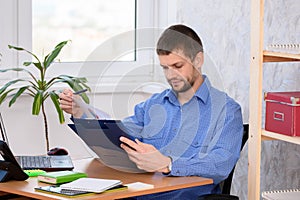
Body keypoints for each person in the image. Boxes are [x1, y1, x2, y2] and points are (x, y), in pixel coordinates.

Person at [59, 24, 243, 199]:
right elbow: (122, 133)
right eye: (165, 68)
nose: (171, 75)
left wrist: (168, 164)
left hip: (184, 195)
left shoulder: (226, 110)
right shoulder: (154, 104)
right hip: (139, 191)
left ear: (198, 60)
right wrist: (81, 112)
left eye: (178, 66)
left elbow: (220, 164)